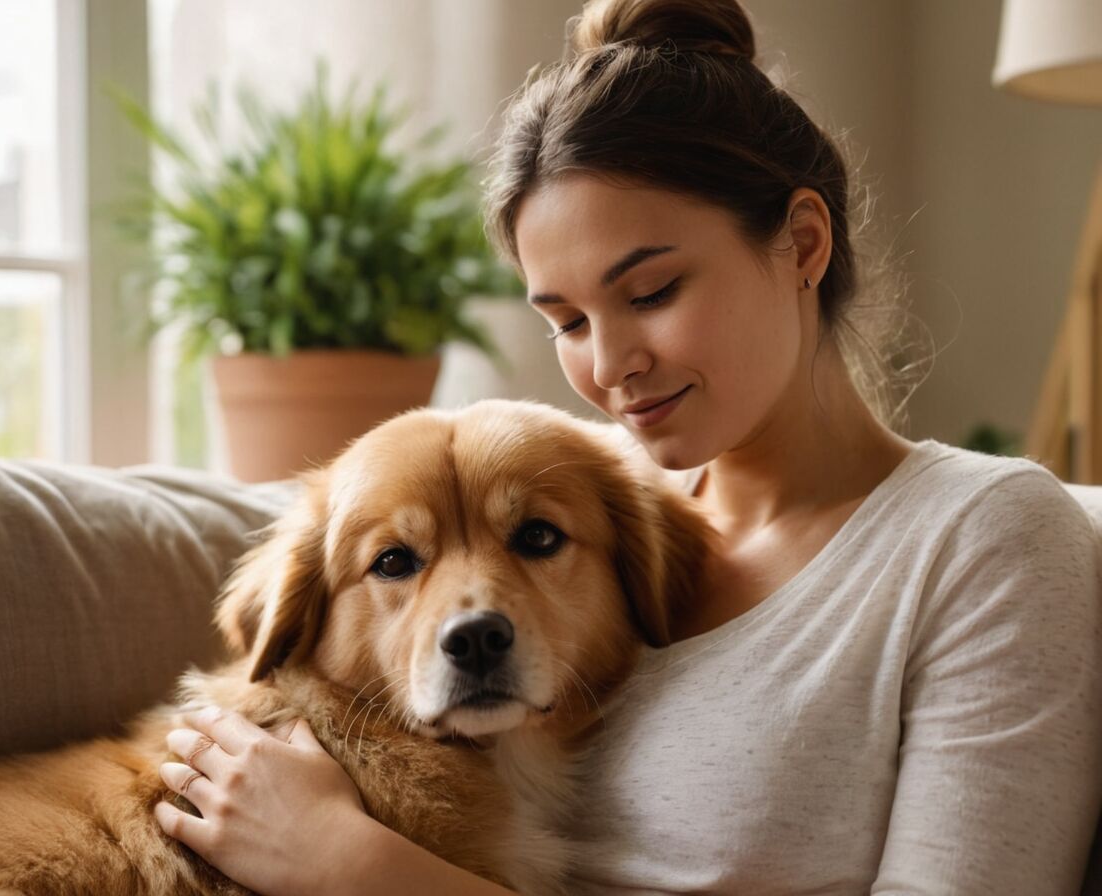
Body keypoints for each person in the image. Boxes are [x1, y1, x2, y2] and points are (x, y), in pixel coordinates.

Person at [154, 0, 1102, 892]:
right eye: (566, 320)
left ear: (803, 243)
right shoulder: (592, 511)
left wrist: (358, 866)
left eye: (650, 293)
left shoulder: (988, 540)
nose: (610, 368)